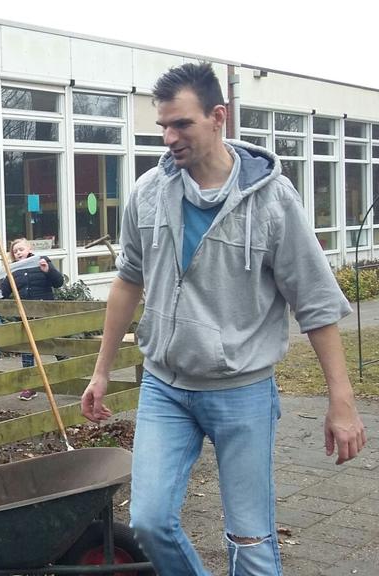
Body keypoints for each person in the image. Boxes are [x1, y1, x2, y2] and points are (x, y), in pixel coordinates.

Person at [80, 63, 367, 576]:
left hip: (243, 391)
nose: (169, 138)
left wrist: (341, 403)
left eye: (181, 125)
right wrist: (102, 370)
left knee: (251, 541)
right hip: (165, 386)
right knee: (148, 521)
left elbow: (317, 305)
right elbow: (128, 279)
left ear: (218, 117)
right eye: (162, 126)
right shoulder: (149, 192)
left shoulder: (274, 202)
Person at [0, 238, 64, 400]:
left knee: (56, 346)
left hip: (44, 313)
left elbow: (58, 282)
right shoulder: (14, 269)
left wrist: (48, 270)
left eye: (21, 249)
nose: (18, 253)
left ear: (29, 248)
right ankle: (30, 387)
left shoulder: (41, 262)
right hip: (25, 315)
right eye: (15, 251)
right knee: (28, 352)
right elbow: (3, 291)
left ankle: (73, 377)